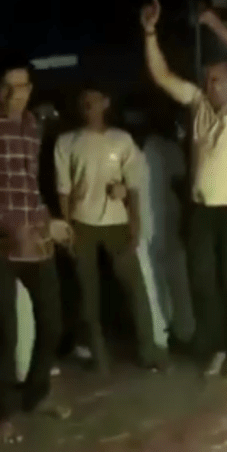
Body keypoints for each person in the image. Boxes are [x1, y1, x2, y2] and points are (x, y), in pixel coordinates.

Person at [140, 0, 227, 381]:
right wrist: (150, 32)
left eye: (219, 78)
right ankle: (217, 348)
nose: (211, 84)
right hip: (203, 211)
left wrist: (213, 24)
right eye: (208, 79)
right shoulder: (198, 106)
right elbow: (161, 76)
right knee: (203, 283)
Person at [0, 52, 73, 443]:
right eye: (7, 88)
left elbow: (28, 186)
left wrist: (47, 222)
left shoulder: (30, 125)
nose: (15, 95)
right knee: (4, 330)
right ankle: (1, 415)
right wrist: (17, 226)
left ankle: (36, 394)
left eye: (22, 87)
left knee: (53, 320)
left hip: (34, 241)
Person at [55, 87, 164, 372]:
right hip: (82, 223)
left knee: (134, 288)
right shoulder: (67, 142)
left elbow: (134, 184)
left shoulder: (121, 139)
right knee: (87, 293)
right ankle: (98, 355)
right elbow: (63, 190)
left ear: (105, 103)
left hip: (116, 222)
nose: (88, 106)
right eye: (83, 102)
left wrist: (134, 219)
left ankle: (149, 350)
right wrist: (67, 226)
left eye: (93, 101)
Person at [139, 106, 194, 349]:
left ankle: (165, 332)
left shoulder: (143, 148)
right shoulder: (169, 148)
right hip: (167, 221)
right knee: (176, 278)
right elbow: (181, 184)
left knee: (156, 279)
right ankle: (182, 331)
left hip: (154, 223)